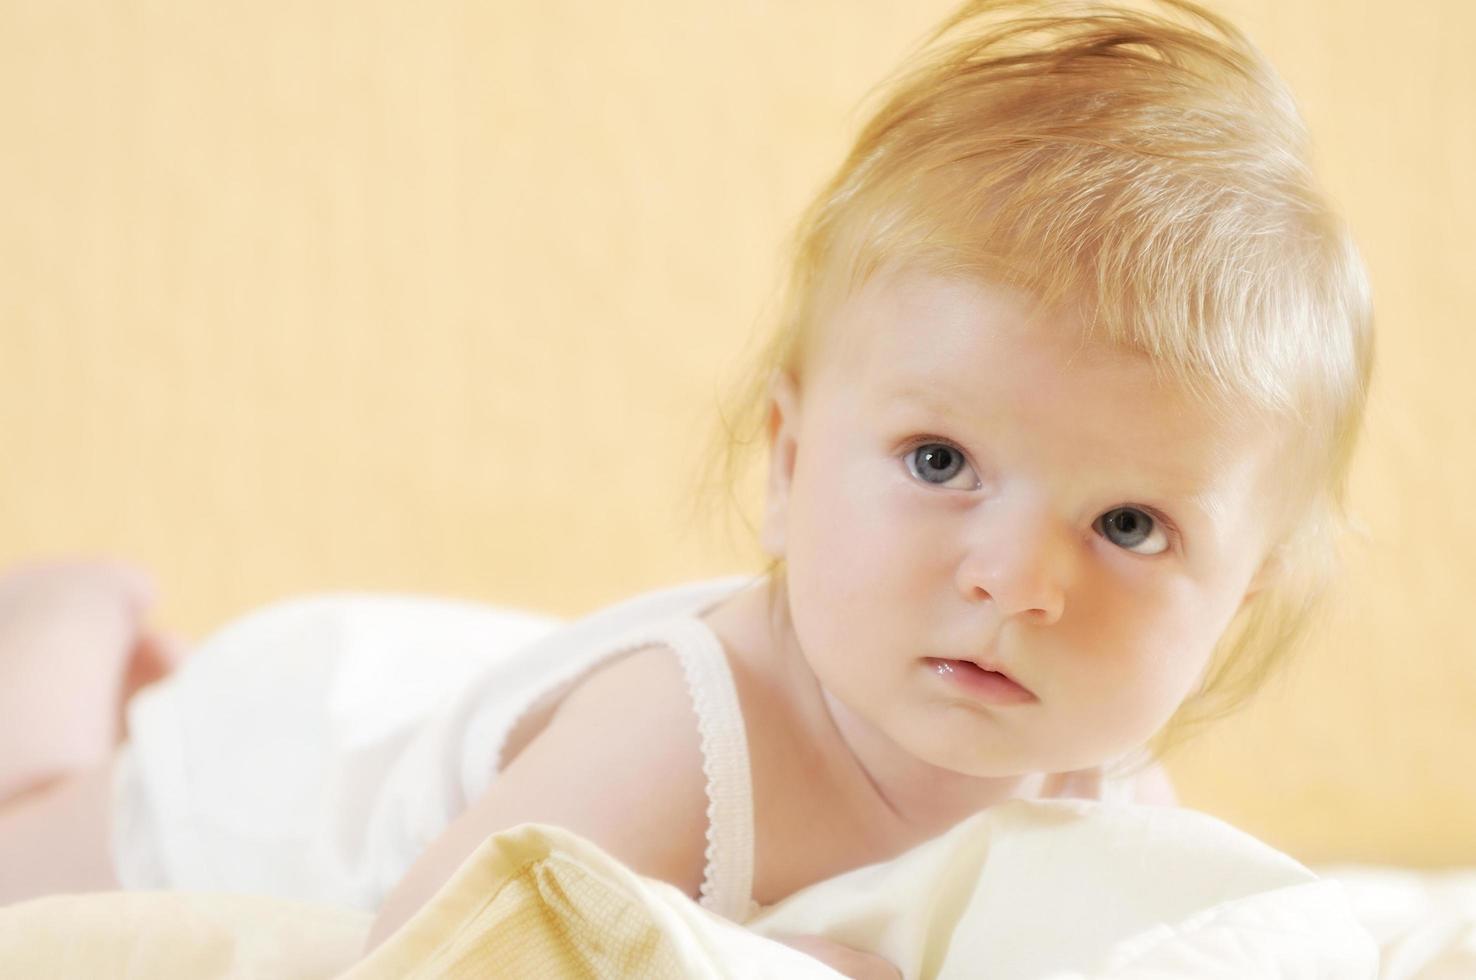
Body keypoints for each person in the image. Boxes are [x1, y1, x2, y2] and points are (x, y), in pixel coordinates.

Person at [0, 1, 1371, 976]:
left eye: (1130, 525)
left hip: (487, 701)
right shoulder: (689, 746)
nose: (1018, 580)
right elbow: (435, 951)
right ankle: (58, 642)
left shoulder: (1105, 790)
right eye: (940, 464)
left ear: (1242, 590)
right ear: (785, 468)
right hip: (285, 766)